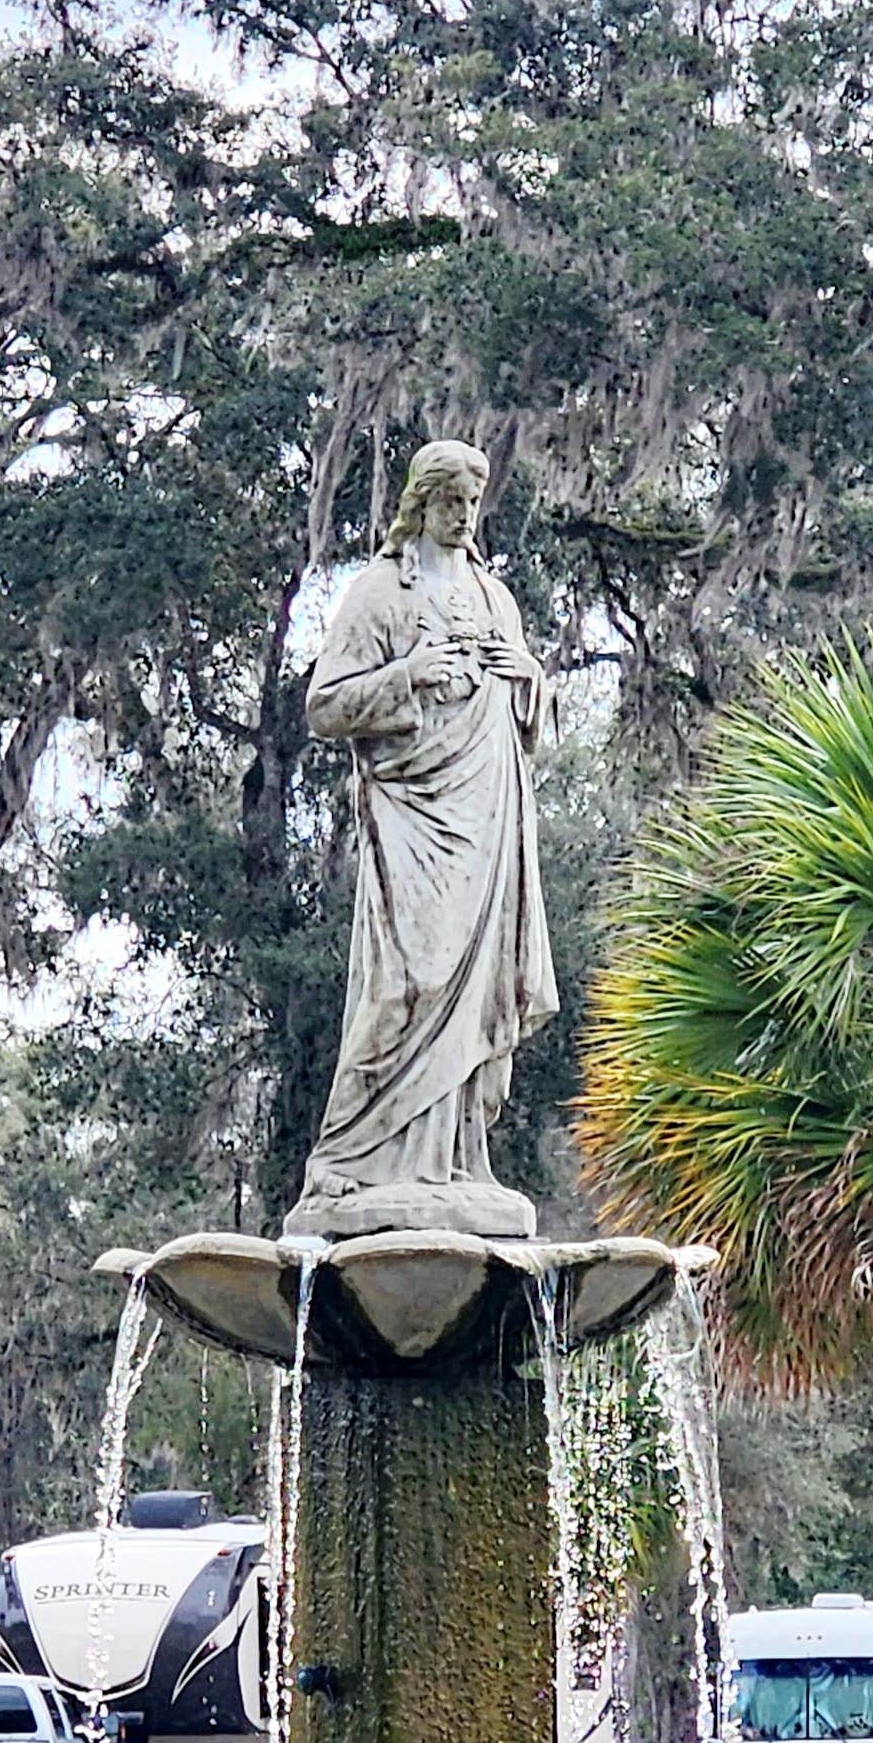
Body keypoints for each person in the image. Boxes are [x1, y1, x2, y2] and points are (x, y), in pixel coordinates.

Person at [292, 441, 557, 1238]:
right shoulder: (381, 591)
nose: (464, 516)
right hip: (412, 812)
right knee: (404, 984)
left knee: (478, 987)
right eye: (450, 502)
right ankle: (349, 1154)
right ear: (421, 501)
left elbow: (526, 718)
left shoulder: (495, 597)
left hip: (489, 811)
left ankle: (459, 1157)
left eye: (473, 503)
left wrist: (529, 680)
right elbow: (325, 706)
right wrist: (408, 674)